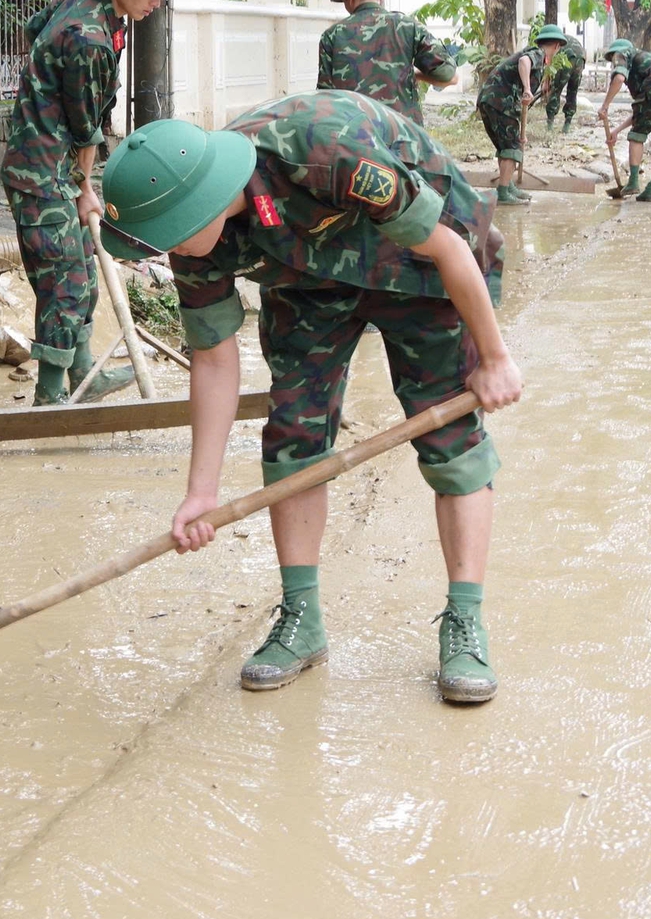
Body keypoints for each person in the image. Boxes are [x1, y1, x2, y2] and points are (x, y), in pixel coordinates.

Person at [97, 91, 522, 704]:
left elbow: (452, 250)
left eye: (169, 236)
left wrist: (497, 359)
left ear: (205, 201)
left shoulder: (327, 154)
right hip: (306, 276)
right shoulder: (198, 240)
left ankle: (464, 621)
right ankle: (302, 619)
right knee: (293, 432)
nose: (166, 251)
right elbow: (214, 358)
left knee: (450, 441)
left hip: (419, 265)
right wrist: (201, 491)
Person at [2, 0, 181, 405]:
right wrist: (86, 188)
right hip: (43, 173)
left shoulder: (85, 0)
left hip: (50, 164)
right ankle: (49, 396)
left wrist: (43, 83)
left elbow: (32, 29)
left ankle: (82, 374)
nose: (155, 2)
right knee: (64, 284)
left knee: (83, 271)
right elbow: (86, 131)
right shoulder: (91, 40)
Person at [314, 0, 458, 126]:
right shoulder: (408, 27)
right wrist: (415, 74)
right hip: (404, 138)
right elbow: (448, 75)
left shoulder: (331, 36)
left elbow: (324, 101)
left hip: (353, 139)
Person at [476, 25, 567, 204]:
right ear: (556, 46)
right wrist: (527, 88)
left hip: (490, 101)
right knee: (511, 148)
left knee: (507, 146)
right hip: (500, 102)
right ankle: (503, 192)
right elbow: (524, 62)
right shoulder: (537, 54)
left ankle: (507, 186)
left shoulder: (536, 56)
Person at [597, 39, 651, 202]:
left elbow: (618, 79)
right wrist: (616, 131)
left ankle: (633, 182)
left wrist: (605, 106)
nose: (614, 63)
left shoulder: (622, 54)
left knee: (637, 135)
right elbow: (641, 113)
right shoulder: (646, 62)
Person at [541, 33, 588, 131]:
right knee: (573, 91)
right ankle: (567, 124)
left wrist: (546, 83)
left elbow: (549, 64)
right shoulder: (561, 39)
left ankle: (550, 124)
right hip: (580, 58)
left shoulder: (549, 46)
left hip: (567, 57)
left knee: (556, 89)